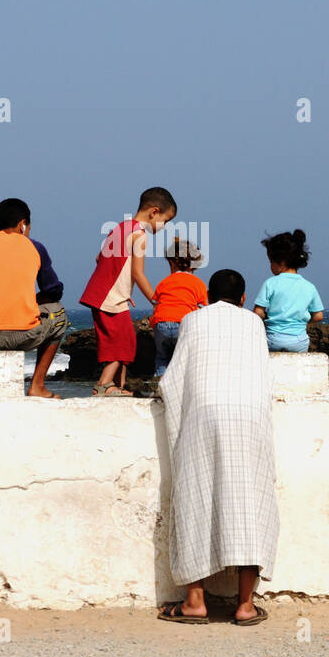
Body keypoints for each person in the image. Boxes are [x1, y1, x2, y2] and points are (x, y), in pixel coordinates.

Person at [156, 269, 279, 626]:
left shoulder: (192, 319)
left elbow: (176, 377)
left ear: (207, 296)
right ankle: (245, 605)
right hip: (249, 417)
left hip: (204, 414)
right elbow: (262, 375)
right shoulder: (254, 325)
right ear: (243, 299)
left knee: (194, 499)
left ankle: (195, 602)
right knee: (251, 502)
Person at [0, 198, 69, 398]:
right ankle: (37, 385)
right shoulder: (35, 246)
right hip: (25, 335)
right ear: (23, 224)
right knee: (59, 314)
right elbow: (53, 291)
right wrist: (34, 299)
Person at [78, 187, 176, 396]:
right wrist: (156, 301)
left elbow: (99, 259)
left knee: (119, 340)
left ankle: (117, 386)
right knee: (125, 343)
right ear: (154, 212)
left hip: (103, 293)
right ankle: (104, 384)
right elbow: (139, 274)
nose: (165, 226)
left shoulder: (120, 228)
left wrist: (121, 284)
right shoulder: (139, 235)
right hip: (111, 297)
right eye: (165, 221)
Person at [252, 229, 323, 352]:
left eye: (271, 261)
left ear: (281, 262)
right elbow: (318, 316)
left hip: (273, 339)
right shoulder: (309, 286)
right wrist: (304, 321)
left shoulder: (270, 283)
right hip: (299, 341)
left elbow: (258, 312)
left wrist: (267, 317)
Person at [150, 236, 208, 378]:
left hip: (161, 324)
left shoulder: (164, 282)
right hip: (183, 324)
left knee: (162, 358)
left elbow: (156, 305)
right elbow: (203, 309)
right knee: (185, 360)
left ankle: (161, 386)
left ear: (172, 263)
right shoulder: (198, 283)